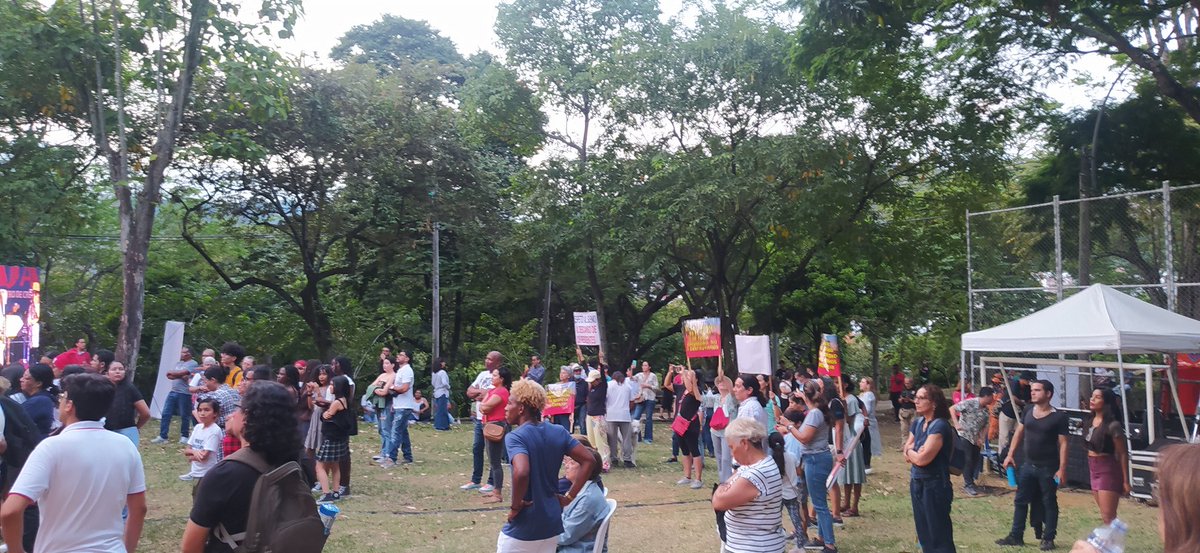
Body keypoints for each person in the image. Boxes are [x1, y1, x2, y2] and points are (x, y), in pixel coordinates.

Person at [0, 373, 147, 553]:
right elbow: (139, 508)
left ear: (69, 405)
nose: (60, 402)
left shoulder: (51, 448)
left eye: (62, 397)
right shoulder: (126, 446)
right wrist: (126, 549)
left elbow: (10, 511)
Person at [181, 381, 304, 553]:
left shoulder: (224, 474)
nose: (231, 414)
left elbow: (190, 547)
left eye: (238, 407)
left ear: (248, 417)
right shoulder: (290, 465)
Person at [498, 379, 595, 552]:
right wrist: (568, 498)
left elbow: (521, 472)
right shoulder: (558, 431)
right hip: (551, 526)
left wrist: (515, 506)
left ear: (521, 408)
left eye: (510, 403)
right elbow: (589, 460)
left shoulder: (515, 437)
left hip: (524, 527)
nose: (505, 407)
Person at [997, 379, 1069, 551]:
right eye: (1032, 390)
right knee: (1020, 500)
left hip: (1048, 467)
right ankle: (1016, 535)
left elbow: (1064, 444)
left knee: (1049, 502)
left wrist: (1062, 468)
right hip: (1027, 465)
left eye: (1037, 390)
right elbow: (1019, 432)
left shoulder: (1059, 416)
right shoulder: (1028, 410)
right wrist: (1010, 454)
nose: (1033, 392)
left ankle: (1048, 538)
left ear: (1048, 394)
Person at [778, 380, 836, 553]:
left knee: (819, 504)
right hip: (815, 458)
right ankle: (822, 538)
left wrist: (788, 425)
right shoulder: (816, 411)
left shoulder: (814, 414)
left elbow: (804, 437)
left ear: (805, 395)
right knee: (818, 501)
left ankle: (830, 545)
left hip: (815, 459)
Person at [711, 418, 785, 553]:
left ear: (744, 443)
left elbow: (718, 502)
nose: (731, 453)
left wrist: (722, 486)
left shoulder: (755, 474)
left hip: (753, 547)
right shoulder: (754, 465)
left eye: (732, 447)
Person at [905, 384, 956, 553]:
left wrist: (914, 453)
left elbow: (922, 459)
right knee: (924, 533)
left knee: (939, 535)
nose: (916, 401)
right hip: (917, 482)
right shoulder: (918, 422)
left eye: (921, 398)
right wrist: (914, 452)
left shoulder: (940, 425)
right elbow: (907, 452)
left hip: (935, 485)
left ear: (933, 402)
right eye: (916, 397)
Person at [1083, 387, 1129, 524]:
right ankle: (1111, 541)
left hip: (1107, 468)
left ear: (1106, 402)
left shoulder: (1112, 425)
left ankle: (1113, 542)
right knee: (1104, 514)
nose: (1092, 399)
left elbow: (1122, 453)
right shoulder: (1089, 421)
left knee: (1108, 516)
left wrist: (1125, 480)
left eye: (1097, 397)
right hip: (1093, 467)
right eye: (1092, 396)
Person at [461, 352, 500, 491]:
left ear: (497, 362)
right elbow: (469, 391)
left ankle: (491, 481)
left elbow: (489, 395)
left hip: (491, 420)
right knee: (477, 448)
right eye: (486, 358)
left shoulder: (499, 377)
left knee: (492, 451)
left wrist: (481, 394)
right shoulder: (482, 375)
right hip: (479, 419)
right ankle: (475, 479)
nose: (486, 361)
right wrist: (480, 393)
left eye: (490, 359)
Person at [556, 448, 607, 553]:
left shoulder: (587, 500)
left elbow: (566, 536)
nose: (566, 466)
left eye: (572, 463)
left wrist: (540, 532)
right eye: (567, 462)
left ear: (586, 469)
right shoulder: (578, 490)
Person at [951, 386, 997, 496]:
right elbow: (952, 409)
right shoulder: (970, 403)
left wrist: (982, 437)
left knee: (975, 460)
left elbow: (985, 425)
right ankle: (968, 484)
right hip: (965, 435)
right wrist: (956, 423)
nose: (993, 399)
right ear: (986, 396)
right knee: (967, 459)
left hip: (975, 438)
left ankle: (971, 481)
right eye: (991, 396)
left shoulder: (986, 410)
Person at [769, 431, 809, 552]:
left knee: (774, 519)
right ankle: (801, 545)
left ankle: (774, 543)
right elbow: (799, 472)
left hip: (777, 494)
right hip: (791, 492)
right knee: (796, 519)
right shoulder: (791, 456)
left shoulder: (770, 459)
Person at [315, 375, 352, 503]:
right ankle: (335, 492)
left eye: (332, 384)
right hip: (339, 438)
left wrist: (326, 414)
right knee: (335, 465)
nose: (330, 387)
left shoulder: (336, 402)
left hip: (331, 438)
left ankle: (326, 493)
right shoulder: (344, 400)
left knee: (319, 466)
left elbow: (326, 415)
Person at [155, 346, 202, 444]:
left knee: (185, 415)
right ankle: (163, 436)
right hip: (173, 391)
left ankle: (184, 436)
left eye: (183, 352)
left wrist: (177, 374)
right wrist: (179, 374)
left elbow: (184, 373)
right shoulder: (178, 363)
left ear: (189, 354)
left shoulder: (193, 363)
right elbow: (169, 375)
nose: (181, 354)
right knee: (166, 413)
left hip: (184, 393)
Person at [480, 366, 513, 503]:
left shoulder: (502, 391)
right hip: (489, 424)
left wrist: (484, 405)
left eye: (495, 375)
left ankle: (498, 492)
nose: (492, 377)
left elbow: (486, 406)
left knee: (495, 461)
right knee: (492, 460)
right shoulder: (493, 390)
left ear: (502, 379)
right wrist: (484, 405)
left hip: (496, 426)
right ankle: (495, 490)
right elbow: (484, 406)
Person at [835, 374, 866, 517]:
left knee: (856, 474)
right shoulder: (838, 400)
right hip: (845, 440)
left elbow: (849, 421)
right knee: (847, 474)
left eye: (837, 382)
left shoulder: (851, 400)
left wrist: (845, 409)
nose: (835, 385)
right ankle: (846, 502)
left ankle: (855, 506)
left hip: (852, 439)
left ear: (845, 384)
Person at [102, 361, 151, 447]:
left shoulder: (130, 389)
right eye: (114, 369)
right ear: (107, 373)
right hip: (105, 431)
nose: (118, 371)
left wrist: (137, 427)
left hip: (127, 431)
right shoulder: (101, 389)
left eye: (121, 369)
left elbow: (145, 413)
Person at [382, 351, 416, 467]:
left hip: (404, 406)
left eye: (401, 355)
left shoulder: (407, 371)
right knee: (403, 432)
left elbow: (405, 388)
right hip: (399, 405)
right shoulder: (401, 370)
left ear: (407, 358)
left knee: (395, 431)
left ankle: (391, 458)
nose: (398, 356)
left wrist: (392, 387)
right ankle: (408, 456)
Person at [674, 365, 705, 490]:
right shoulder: (685, 390)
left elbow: (690, 387)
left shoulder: (696, 391)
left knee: (694, 450)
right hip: (680, 422)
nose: (686, 377)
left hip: (691, 424)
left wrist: (687, 374)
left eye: (691, 376)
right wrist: (685, 374)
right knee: (684, 450)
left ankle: (698, 478)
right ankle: (687, 476)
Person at [180, 397, 223, 481]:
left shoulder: (214, 431)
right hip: (195, 472)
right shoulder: (198, 427)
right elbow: (187, 450)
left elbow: (204, 456)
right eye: (200, 410)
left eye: (206, 410)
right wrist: (195, 452)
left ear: (215, 413)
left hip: (207, 474)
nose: (202, 413)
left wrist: (192, 457)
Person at [604, 370, 636, 469]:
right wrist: (627, 409)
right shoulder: (627, 386)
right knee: (626, 438)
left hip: (611, 414)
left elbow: (605, 399)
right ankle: (627, 459)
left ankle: (614, 458)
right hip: (624, 415)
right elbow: (632, 401)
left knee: (612, 439)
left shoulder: (608, 385)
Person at [997, 371, 1034, 456]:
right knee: (1004, 437)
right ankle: (1001, 457)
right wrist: (1024, 403)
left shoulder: (1027, 388)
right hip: (1007, 413)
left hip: (1019, 415)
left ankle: (1014, 456)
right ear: (1023, 379)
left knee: (1017, 436)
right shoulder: (1015, 384)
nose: (1028, 382)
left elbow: (1029, 400)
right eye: (1027, 380)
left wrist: (1027, 403)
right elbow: (1013, 398)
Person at [368, 357, 396, 463]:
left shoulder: (393, 376)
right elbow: (371, 387)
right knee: (380, 428)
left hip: (387, 404)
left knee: (386, 429)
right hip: (378, 405)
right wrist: (377, 390)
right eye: (384, 363)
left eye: (387, 363)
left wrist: (377, 390)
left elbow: (385, 391)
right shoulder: (382, 375)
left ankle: (387, 453)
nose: (385, 365)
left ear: (393, 365)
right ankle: (383, 451)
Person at [18, 364, 57, 438]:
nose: (21, 379)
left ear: (38, 383)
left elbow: (15, 419)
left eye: (26, 378)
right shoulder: (44, 398)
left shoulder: (40, 401)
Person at [712, 375, 737, 483]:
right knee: (718, 456)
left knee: (726, 458)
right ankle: (722, 480)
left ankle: (728, 481)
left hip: (728, 432)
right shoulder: (716, 397)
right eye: (719, 382)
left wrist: (724, 377)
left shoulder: (732, 398)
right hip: (715, 431)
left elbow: (731, 391)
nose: (721, 383)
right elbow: (699, 397)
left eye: (724, 382)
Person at [584, 368, 610, 471]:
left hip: (598, 416)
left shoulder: (602, 387)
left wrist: (601, 363)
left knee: (601, 441)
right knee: (591, 441)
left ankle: (605, 463)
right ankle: (594, 462)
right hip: (590, 416)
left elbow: (602, 376)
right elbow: (587, 370)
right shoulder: (592, 388)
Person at [631, 361, 658, 444]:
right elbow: (631, 378)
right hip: (641, 398)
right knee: (636, 416)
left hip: (650, 398)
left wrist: (648, 386)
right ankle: (637, 436)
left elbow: (656, 387)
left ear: (649, 367)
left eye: (646, 365)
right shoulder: (639, 375)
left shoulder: (653, 376)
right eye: (643, 365)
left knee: (649, 418)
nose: (644, 367)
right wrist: (631, 369)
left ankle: (648, 438)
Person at [859, 377, 881, 472]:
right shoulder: (863, 394)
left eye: (863, 382)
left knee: (867, 443)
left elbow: (866, 410)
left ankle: (866, 464)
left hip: (868, 422)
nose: (860, 383)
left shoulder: (868, 395)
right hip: (863, 421)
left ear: (868, 385)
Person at [432, 357, 452, 430]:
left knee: (439, 410)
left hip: (436, 392)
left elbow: (433, 383)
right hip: (442, 392)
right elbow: (444, 383)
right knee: (443, 410)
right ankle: (442, 426)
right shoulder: (442, 372)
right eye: (443, 362)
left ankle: (440, 424)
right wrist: (448, 386)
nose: (444, 363)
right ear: (440, 363)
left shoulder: (434, 373)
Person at [897, 376, 917, 448]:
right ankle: (904, 445)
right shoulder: (903, 390)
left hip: (912, 411)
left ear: (912, 383)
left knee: (913, 429)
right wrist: (901, 399)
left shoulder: (916, 390)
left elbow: (917, 401)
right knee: (904, 429)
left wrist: (910, 399)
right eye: (905, 383)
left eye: (908, 383)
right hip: (903, 410)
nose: (907, 385)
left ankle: (913, 445)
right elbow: (900, 398)